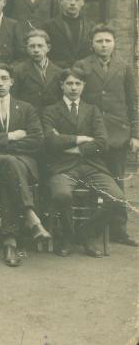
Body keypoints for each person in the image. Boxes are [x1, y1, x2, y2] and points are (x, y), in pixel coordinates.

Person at [0, 62, 51, 267]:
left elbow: (37, 139)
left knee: (9, 167)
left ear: (12, 82)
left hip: (21, 164)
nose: (0, 83)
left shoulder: (26, 108)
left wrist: (1, 145)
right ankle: (31, 218)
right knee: (8, 164)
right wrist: (11, 136)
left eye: (4, 78)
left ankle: (10, 241)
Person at [42, 67, 128, 257]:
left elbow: (102, 143)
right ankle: (67, 236)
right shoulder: (50, 111)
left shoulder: (92, 110)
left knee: (117, 198)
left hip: (92, 166)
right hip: (62, 168)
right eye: (69, 83)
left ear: (84, 86)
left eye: (78, 84)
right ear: (61, 85)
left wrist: (68, 144)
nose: (73, 88)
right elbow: (49, 141)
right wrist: (81, 138)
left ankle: (87, 233)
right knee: (62, 195)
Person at [74, 25, 139, 246]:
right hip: (91, 134)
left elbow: (133, 101)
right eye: (99, 41)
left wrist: (135, 134)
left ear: (114, 43)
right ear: (92, 44)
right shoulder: (82, 65)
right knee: (92, 180)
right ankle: (90, 228)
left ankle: (119, 229)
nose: (103, 45)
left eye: (107, 41)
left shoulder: (124, 66)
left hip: (118, 133)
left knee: (118, 180)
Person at [43, 0, 94, 69]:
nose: (73, 3)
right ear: (62, 0)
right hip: (58, 74)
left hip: (84, 74)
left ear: (83, 2)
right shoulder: (49, 26)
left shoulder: (91, 26)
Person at [12, 29, 62, 110]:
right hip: (28, 118)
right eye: (32, 46)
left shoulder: (59, 72)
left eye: (40, 46)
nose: (36, 50)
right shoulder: (18, 71)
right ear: (26, 49)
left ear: (48, 48)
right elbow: (14, 100)